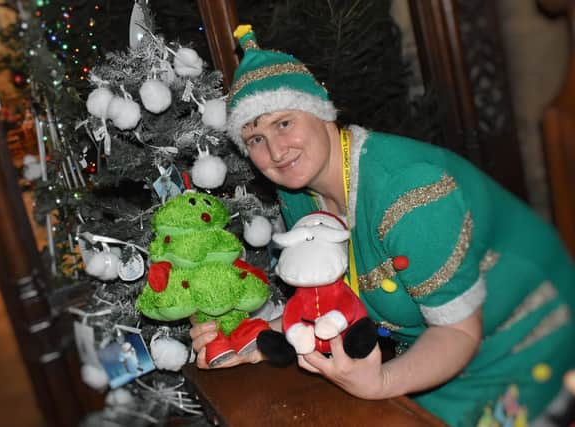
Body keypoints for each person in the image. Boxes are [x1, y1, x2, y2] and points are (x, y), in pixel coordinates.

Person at [190, 24, 575, 427]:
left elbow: (459, 333)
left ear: (321, 112)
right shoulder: (298, 193)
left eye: (283, 123)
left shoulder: (408, 193)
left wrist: (381, 380)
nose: (275, 151)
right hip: (433, 356)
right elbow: (332, 295)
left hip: (527, 341)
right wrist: (258, 336)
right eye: (254, 139)